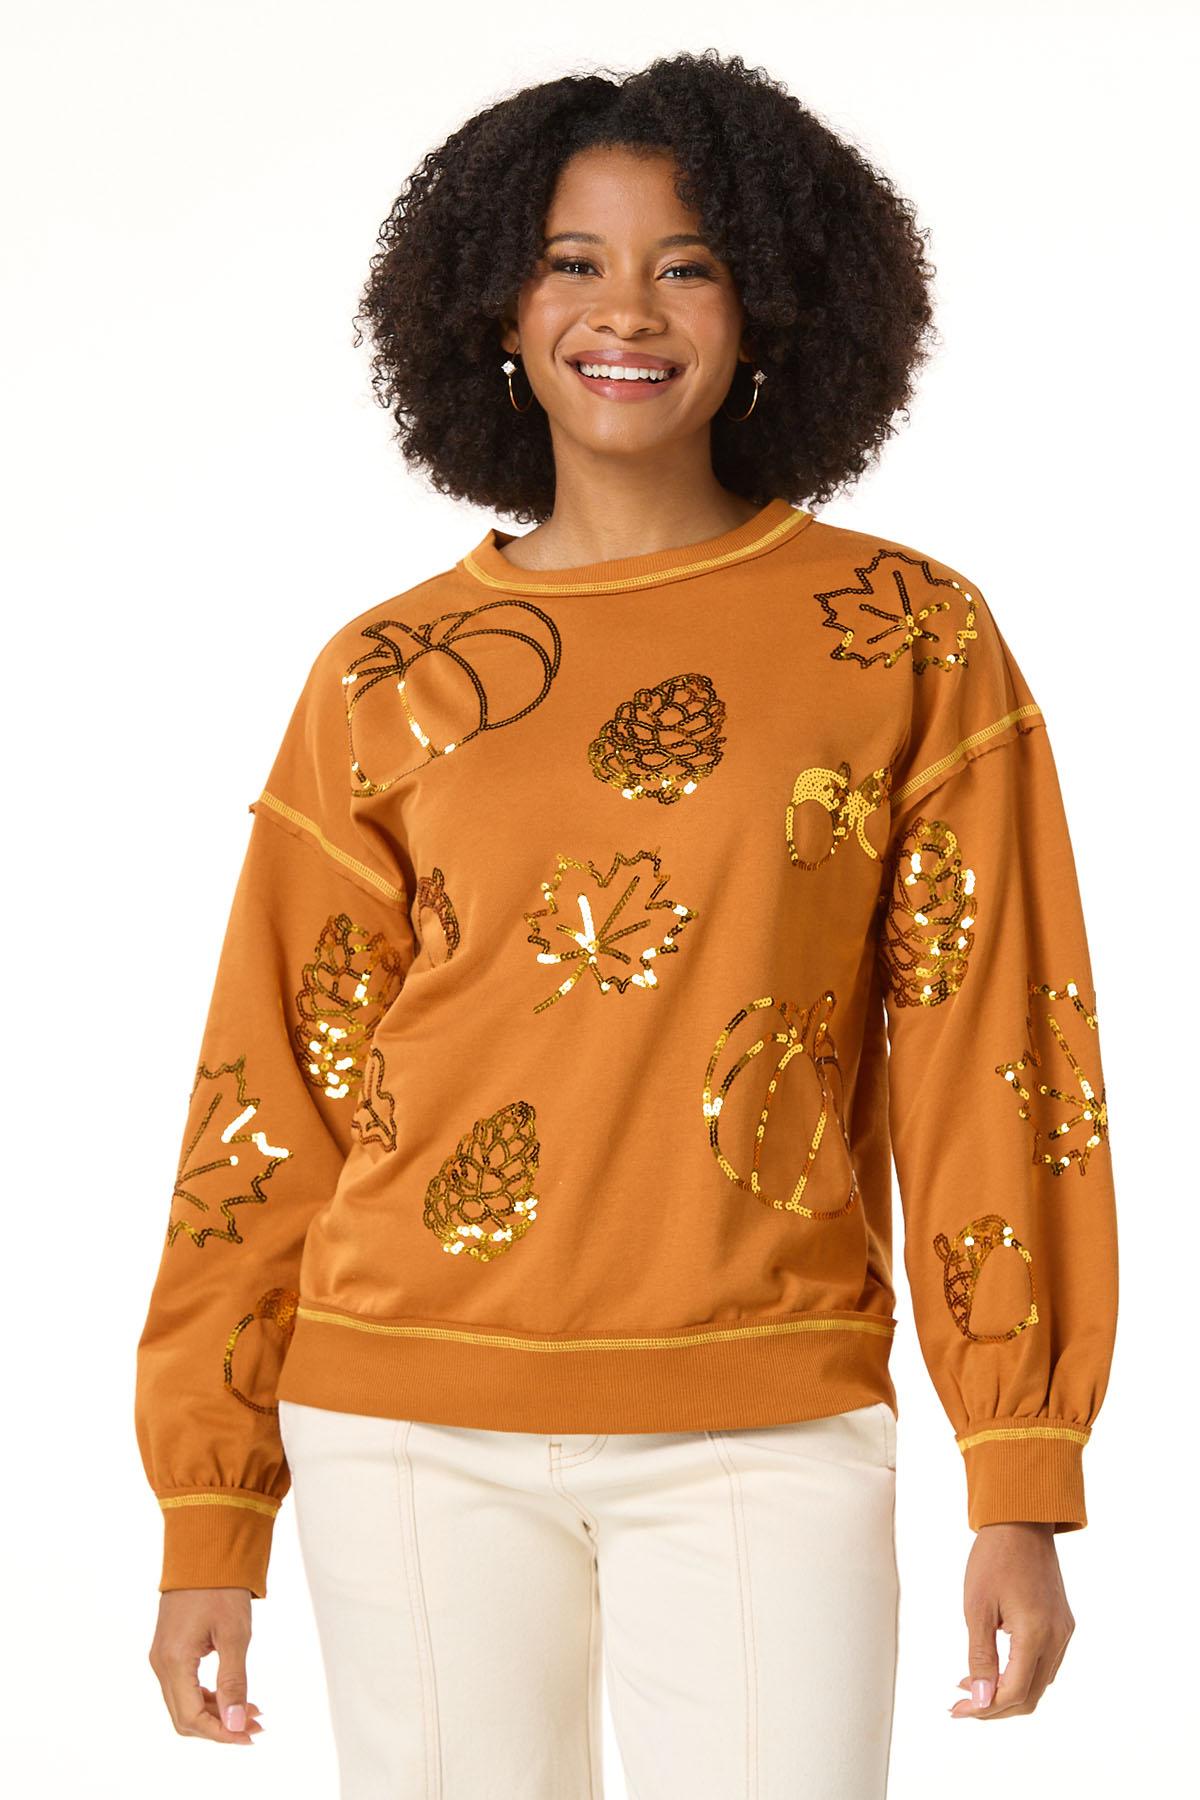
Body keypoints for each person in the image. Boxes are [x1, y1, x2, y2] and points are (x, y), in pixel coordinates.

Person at [135, 47, 1118, 1798]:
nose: (628, 311)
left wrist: (1020, 1467)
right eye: (572, 262)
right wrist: (214, 1503)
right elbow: (269, 1083)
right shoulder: (386, 672)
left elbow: (1000, 1055)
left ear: (771, 306)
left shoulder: (906, 635)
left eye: (689, 264)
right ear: (497, 310)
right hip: (402, 1421)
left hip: (765, 1420)